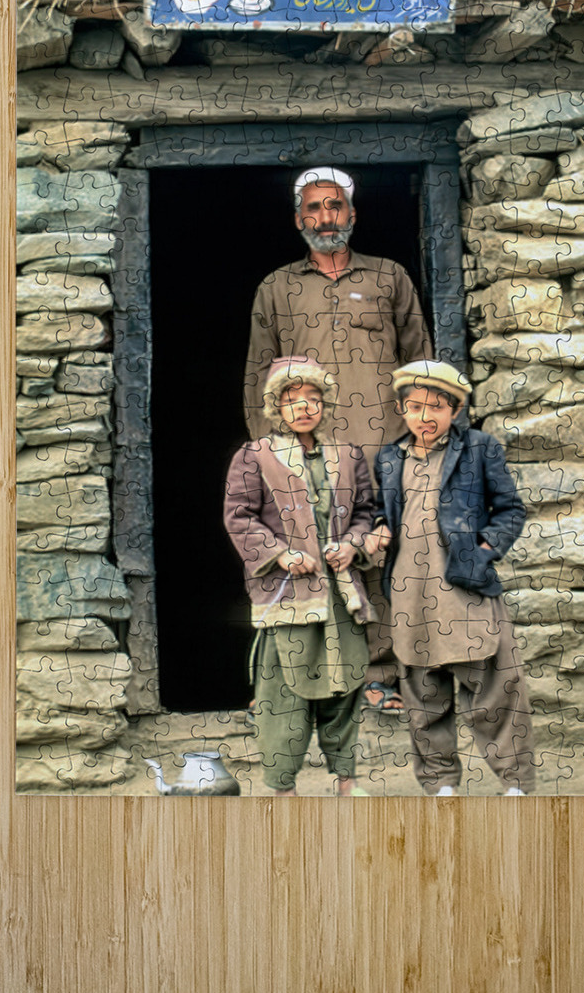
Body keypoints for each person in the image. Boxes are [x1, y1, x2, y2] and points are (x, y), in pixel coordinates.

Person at [245, 167, 434, 713]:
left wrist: (425, 441)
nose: (324, 217)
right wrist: (266, 452)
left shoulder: (388, 277)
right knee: (304, 558)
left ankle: (383, 674)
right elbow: (259, 373)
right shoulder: (276, 287)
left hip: (387, 446)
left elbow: (420, 359)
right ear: (297, 218)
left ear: (352, 214)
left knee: (388, 558)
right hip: (308, 452)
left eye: (334, 206)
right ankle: (303, 682)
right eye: (313, 208)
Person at [365, 360, 536, 796]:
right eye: (415, 406)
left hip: (465, 587)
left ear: (455, 410)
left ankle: (514, 783)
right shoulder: (388, 457)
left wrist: (483, 551)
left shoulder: (479, 448)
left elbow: (511, 510)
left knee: (496, 689)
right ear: (401, 409)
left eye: (437, 407)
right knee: (424, 698)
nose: (425, 417)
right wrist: (381, 528)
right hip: (410, 593)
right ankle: (441, 784)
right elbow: (385, 511)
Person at [224, 356, 376, 796]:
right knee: (283, 696)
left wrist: (353, 546)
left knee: (345, 689)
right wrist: (280, 554)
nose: (305, 407)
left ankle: (346, 782)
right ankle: (283, 787)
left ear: (325, 404)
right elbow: (239, 518)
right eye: (293, 400)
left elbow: (365, 514)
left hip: (341, 597)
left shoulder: (347, 456)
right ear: (276, 407)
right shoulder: (254, 457)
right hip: (288, 598)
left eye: (313, 398)